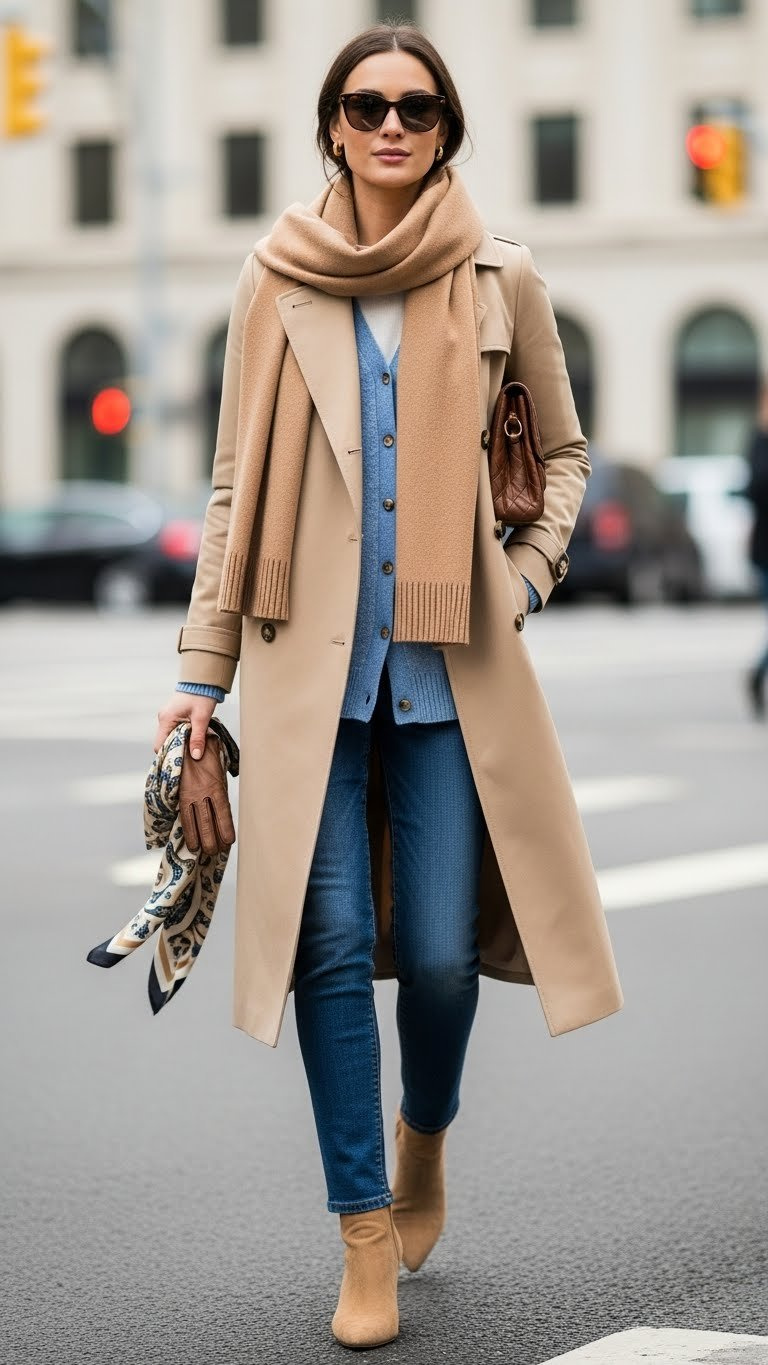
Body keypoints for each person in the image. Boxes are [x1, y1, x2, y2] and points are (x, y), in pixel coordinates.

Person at [154, 22, 623, 1351]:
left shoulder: (499, 274)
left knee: (440, 961)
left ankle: (427, 1130)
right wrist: (200, 676)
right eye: (367, 106)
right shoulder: (275, 275)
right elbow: (235, 486)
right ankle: (362, 1231)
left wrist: (523, 577)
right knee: (330, 950)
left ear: (446, 127)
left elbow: (564, 452)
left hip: (450, 678)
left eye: (417, 107)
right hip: (308, 674)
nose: (392, 126)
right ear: (334, 125)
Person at [744, 379, 768, 717]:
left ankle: (758, 673)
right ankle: (758, 674)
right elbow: (754, 488)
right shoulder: (758, 442)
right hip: (765, 550)